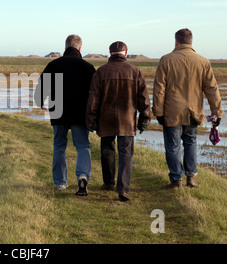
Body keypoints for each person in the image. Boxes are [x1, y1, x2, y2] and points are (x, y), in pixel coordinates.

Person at [153, 28, 223, 189]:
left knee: (173, 145)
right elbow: (212, 89)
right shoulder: (203, 61)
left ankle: (176, 179)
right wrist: (217, 112)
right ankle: (191, 177)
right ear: (191, 42)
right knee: (191, 142)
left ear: (176, 41)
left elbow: (159, 89)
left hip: (171, 111)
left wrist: (158, 111)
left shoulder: (166, 60)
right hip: (194, 110)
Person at [86, 41, 151, 201]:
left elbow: (93, 99)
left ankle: (108, 183)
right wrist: (145, 118)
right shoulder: (135, 72)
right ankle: (123, 189)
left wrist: (91, 119)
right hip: (127, 120)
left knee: (107, 151)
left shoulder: (101, 72)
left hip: (106, 119)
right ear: (126, 53)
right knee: (126, 153)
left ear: (110, 53)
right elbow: (144, 99)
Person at [34, 34, 96, 196]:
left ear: (65, 46)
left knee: (59, 147)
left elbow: (42, 85)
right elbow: (95, 93)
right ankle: (82, 175)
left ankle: (61, 183)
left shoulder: (53, 65)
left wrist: (40, 100)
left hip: (58, 111)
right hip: (80, 113)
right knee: (83, 146)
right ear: (80, 48)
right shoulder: (88, 67)